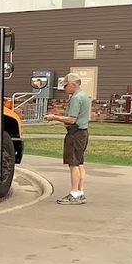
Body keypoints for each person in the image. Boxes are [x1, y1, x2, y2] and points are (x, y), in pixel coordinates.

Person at [44, 74, 91, 204]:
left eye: (66, 85)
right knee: (80, 163)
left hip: (75, 133)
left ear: (73, 85)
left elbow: (71, 119)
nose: (64, 88)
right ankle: (80, 193)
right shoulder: (84, 96)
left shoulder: (76, 98)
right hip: (82, 132)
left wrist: (54, 117)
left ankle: (74, 194)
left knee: (74, 164)